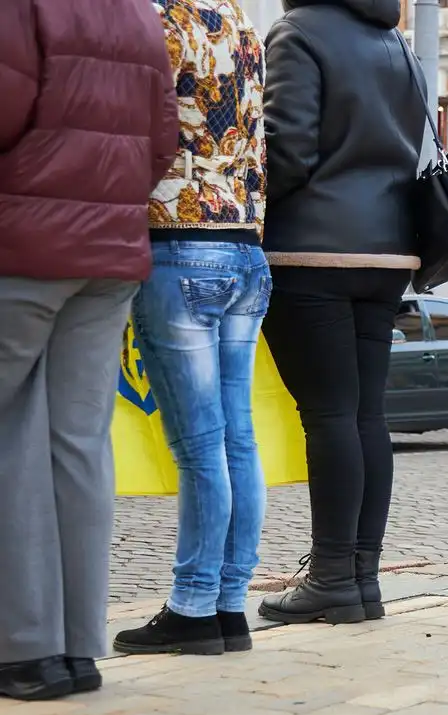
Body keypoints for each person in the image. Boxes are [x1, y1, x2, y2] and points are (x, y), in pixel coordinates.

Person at [0, 0, 178, 700]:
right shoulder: (138, 10)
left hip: (22, 238)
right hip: (109, 247)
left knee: (13, 432)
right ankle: (76, 646)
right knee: (77, 441)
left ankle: (24, 648)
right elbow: (162, 139)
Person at [255, 0, 424, 624]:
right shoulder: (397, 42)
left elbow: (287, 150)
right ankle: (361, 577)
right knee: (364, 415)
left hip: (312, 250)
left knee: (327, 415)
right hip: (387, 252)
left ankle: (330, 577)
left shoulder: (298, 34)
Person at [113, 0, 270, 658]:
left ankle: (192, 604)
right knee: (237, 438)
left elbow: (139, 129)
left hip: (181, 240)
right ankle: (230, 605)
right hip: (245, 244)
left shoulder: (159, 19)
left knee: (199, 445)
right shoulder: (240, 21)